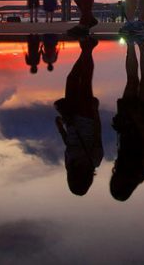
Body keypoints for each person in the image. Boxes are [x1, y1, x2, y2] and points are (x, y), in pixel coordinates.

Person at [110, 37, 144, 201]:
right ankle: (139, 43)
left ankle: (131, 44)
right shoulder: (143, 171)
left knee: (133, 81)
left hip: (128, 125)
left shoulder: (126, 170)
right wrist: (137, 119)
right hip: (141, 123)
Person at [54, 36, 103, 196]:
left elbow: (68, 143)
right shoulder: (94, 161)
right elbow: (97, 134)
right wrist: (95, 111)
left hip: (72, 118)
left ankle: (86, 49)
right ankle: (87, 49)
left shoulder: (71, 164)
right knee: (85, 82)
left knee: (73, 79)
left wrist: (61, 128)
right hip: (86, 118)